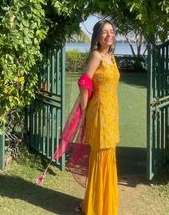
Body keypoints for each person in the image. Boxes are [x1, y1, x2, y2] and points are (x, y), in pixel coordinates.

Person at [77, 19, 120, 215]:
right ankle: (96, 207)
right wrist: (84, 111)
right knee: (100, 156)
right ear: (97, 36)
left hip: (111, 113)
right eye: (104, 32)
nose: (109, 35)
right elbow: (84, 82)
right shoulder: (96, 56)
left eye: (111, 31)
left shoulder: (111, 57)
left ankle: (105, 203)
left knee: (108, 156)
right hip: (99, 112)